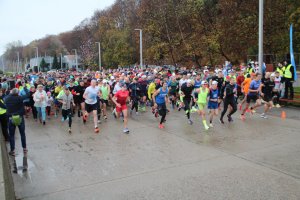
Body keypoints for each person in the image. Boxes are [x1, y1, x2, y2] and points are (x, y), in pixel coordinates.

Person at [4, 88, 28, 156]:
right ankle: (24, 148)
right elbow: (28, 95)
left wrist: (10, 92)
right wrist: (25, 88)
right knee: (22, 133)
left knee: (12, 135)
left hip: (11, 118)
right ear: (17, 93)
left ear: (11, 92)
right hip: (20, 117)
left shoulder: (7, 98)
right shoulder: (20, 98)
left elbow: (6, 96)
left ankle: (12, 150)